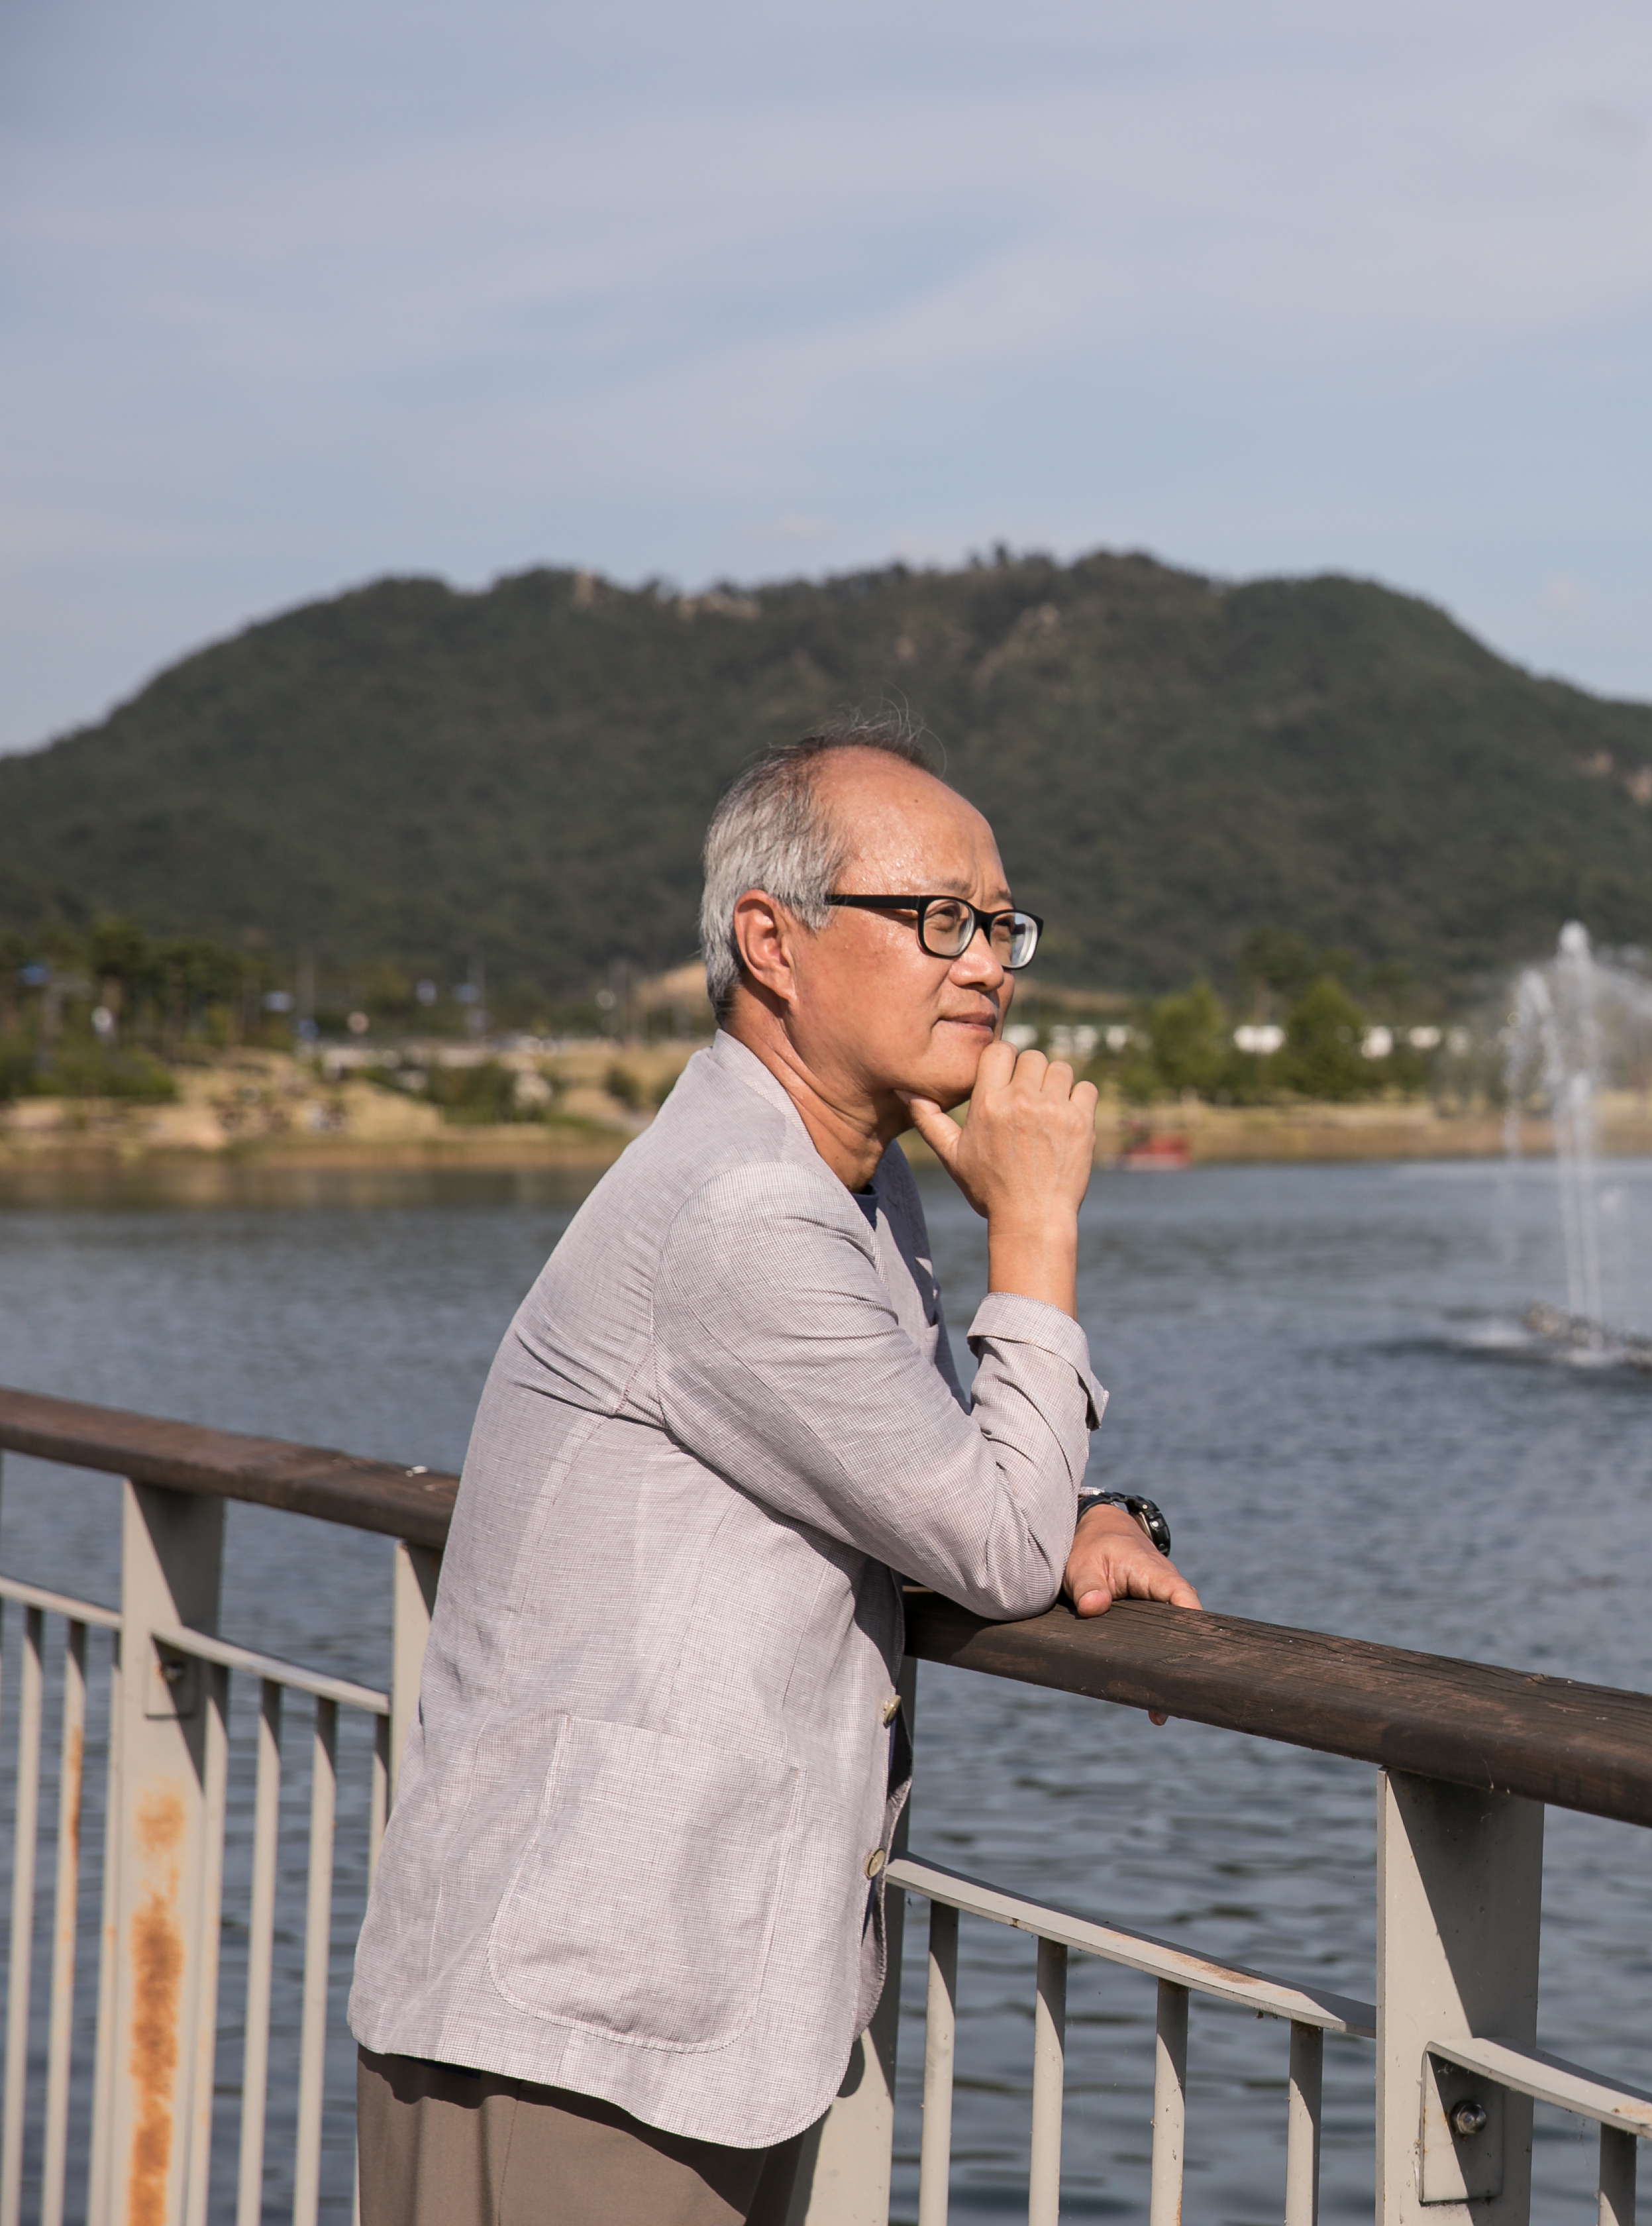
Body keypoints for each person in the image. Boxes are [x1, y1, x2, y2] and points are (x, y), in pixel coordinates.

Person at [348, 727, 1196, 2223]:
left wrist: (1066, 1507)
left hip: (661, 1998)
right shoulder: (747, 1206)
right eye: (939, 918)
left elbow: (933, 1495)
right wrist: (1043, 1227)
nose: (990, 964)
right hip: (578, 2024)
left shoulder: (843, 1189)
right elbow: (986, 1553)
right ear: (772, 941)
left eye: (1003, 925)